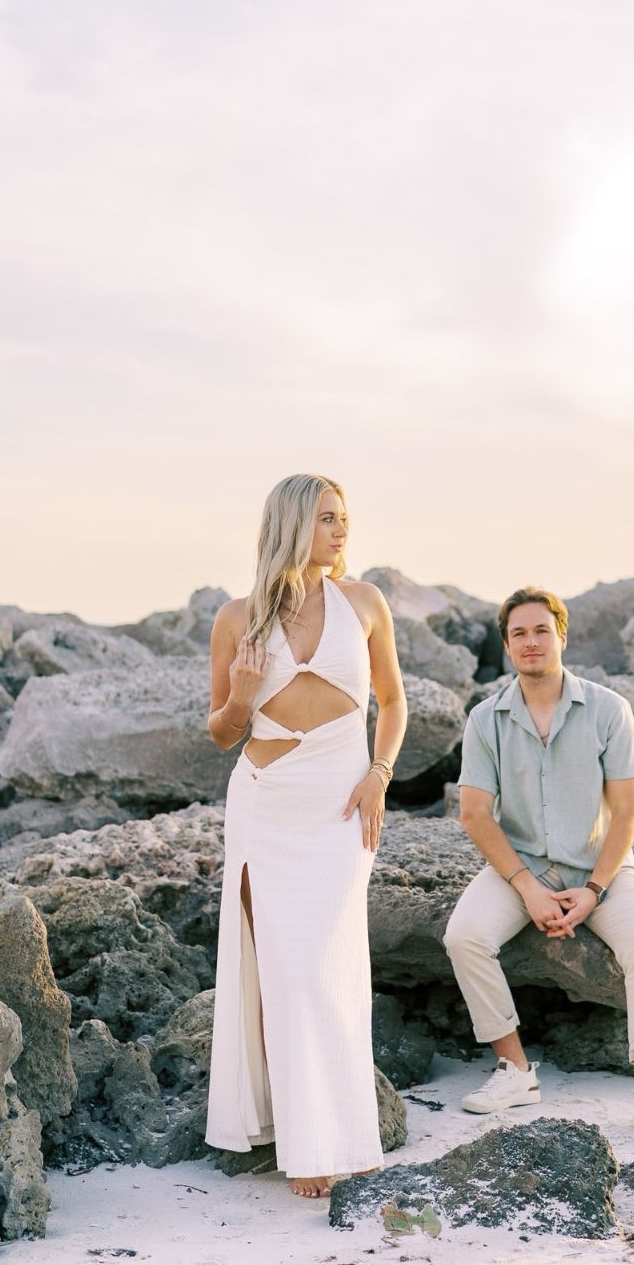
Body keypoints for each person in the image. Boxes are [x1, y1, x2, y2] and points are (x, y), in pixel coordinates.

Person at [204, 473, 407, 1198]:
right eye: (327, 518)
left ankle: (340, 1131)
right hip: (266, 805)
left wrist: (380, 773)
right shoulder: (238, 618)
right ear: (292, 525)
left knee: (328, 969)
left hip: (342, 806)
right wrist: (241, 696)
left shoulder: (365, 603)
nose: (341, 530)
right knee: (282, 973)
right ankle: (302, 1142)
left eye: (343, 518)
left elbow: (393, 701)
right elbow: (221, 732)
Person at [443, 586, 634, 1142]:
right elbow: (475, 814)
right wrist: (527, 887)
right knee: (464, 936)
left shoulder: (609, 710)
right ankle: (514, 1069)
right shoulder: (485, 719)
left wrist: (594, 890)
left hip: (603, 866)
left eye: (541, 630)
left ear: (562, 635)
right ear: (507, 645)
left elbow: (628, 811)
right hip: (521, 866)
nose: (530, 641)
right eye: (518, 633)